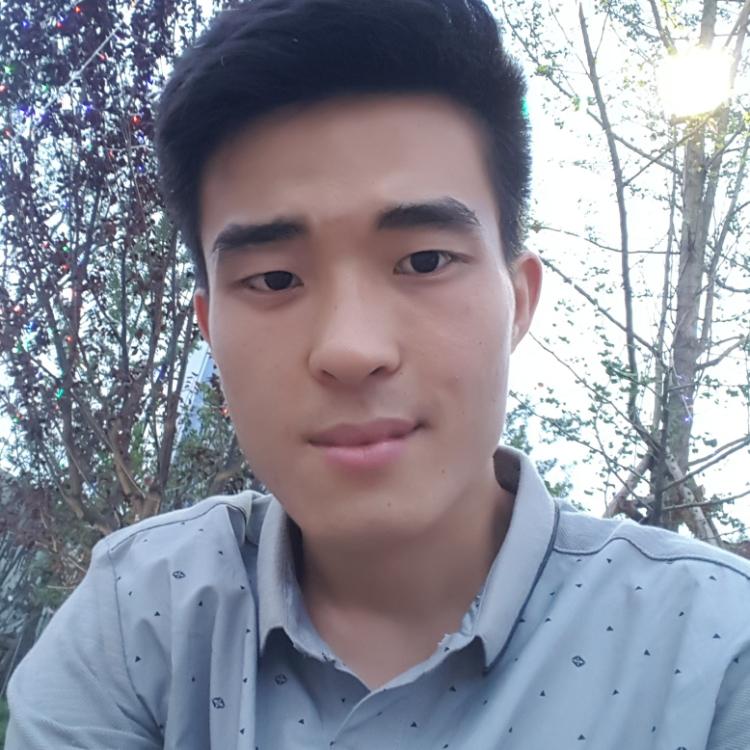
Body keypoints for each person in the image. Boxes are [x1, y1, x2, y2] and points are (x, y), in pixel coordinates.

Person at [6, 0, 749, 747]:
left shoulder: (715, 648)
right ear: (211, 332)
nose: (351, 349)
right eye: (274, 279)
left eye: (424, 261)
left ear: (519, 301)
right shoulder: (139, 619)